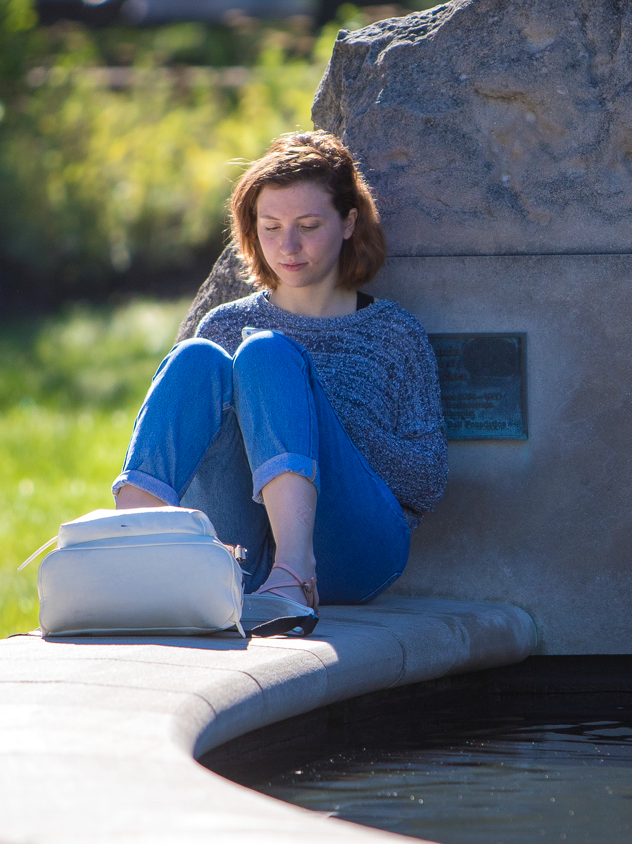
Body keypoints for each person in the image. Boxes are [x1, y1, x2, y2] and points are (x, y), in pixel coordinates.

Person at [111, 131, 447, 612]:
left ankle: (295, 572)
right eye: (271, 227)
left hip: (353, 553)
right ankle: (125, 555)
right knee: (195, 357)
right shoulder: (225, 324)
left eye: (308, 226)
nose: (288, 245)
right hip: (240, 550)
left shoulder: (392, 332)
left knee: (267, 354)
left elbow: (428, 482)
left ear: (349, 222)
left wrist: (317, 417)